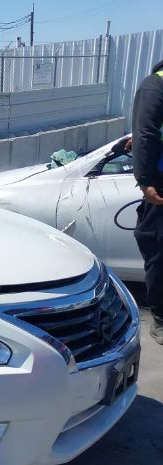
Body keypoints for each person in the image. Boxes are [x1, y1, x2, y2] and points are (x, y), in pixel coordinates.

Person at [132, 59, 163, 344]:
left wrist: (144, 179)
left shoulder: (155, 84)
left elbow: (146, 133)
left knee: (157, 248)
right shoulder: (157, 86)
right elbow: (145, 134)